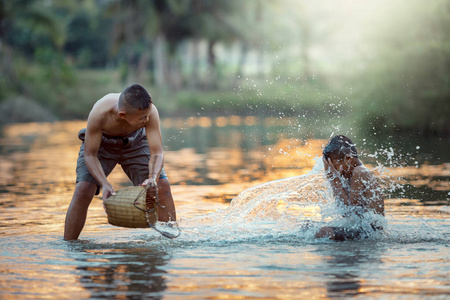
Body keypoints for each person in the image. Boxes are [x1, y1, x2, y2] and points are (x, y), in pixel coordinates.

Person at [64, 84, 176, 240]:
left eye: (148, 115)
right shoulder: (100, 113)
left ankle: (171, 240)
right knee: (83, 189)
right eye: (142, 118)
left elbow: (157, 152)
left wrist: (153, 177)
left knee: (162, 186)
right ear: (123, 115)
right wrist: (105, 184)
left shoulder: (150, 112)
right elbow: (90, 155)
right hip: (102, 144)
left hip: (136, 141)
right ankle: (70, 244)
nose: (147, 119)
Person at [315, 135, 384, 241]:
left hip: (371, 232)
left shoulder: (359, 172)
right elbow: (344, 214)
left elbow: (350, 212)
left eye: (335, 167)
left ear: (348, 158)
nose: (335, 172)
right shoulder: (350, 172)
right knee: (308, 226)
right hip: (360, 228)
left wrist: (333, 180)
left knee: (324, 232)